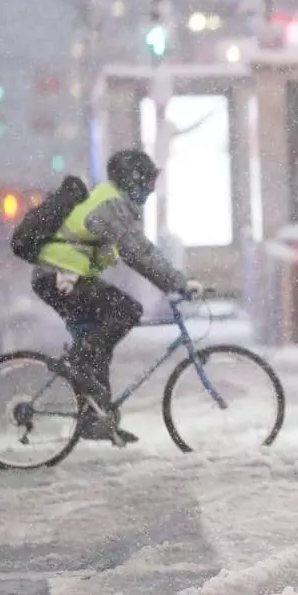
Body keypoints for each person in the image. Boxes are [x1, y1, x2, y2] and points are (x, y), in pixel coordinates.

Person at [31, 149, 201, 444]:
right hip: (59, 275)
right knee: (126, 310)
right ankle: (78, 363)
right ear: (134, 180)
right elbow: (140, 253)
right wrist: (179, 283)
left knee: (99, 343)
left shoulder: (110, 199)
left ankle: (96, 418)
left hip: (59, 275)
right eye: (147, 181)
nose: (150, 189)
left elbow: (128, 253)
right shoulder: (113, 204)